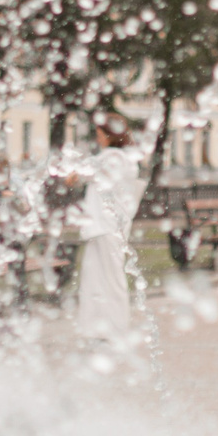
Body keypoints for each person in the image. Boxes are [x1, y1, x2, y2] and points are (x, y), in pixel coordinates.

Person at [73, 115, 148, 348]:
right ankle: (101, 327)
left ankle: (114, 327)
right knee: (98, 276)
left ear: (109, 135)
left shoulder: (112, 158)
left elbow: (80, 175)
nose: (98, 139)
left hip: (104, 226)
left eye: (99, 135)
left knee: (105, 278)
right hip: (108, 227)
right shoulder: (125, 158)